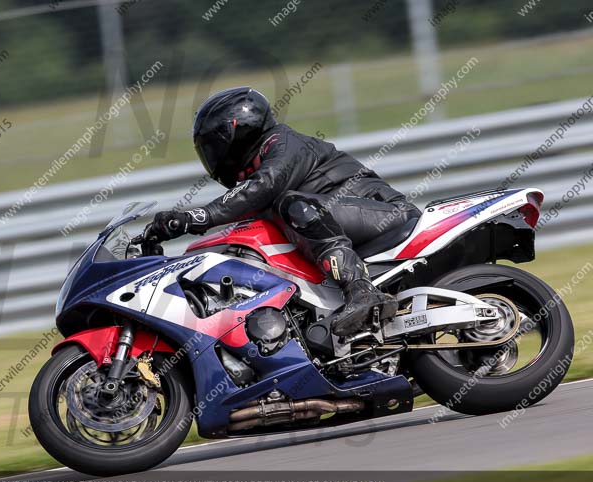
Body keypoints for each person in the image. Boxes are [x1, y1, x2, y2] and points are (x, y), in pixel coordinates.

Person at [145, 87, 420, 337]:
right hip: (345, 221)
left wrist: (196, 217)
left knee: (293, 205)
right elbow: (247, 200)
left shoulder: (282, 143)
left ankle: (360, 291)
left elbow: (265, 185)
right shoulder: (257, 173)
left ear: (235, 131)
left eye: (212, 145)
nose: (211, 155)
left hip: (386, 214)